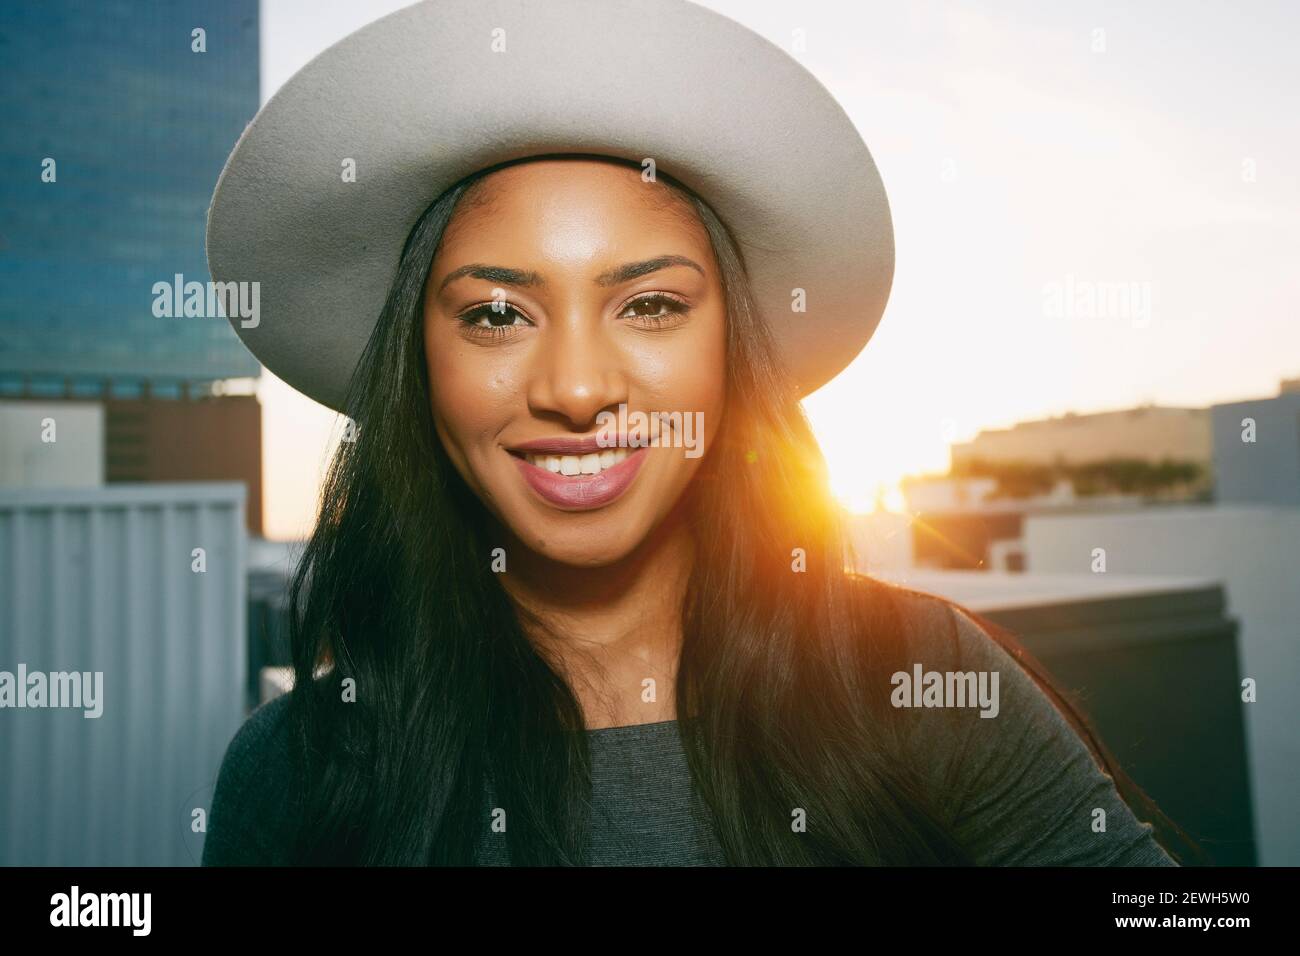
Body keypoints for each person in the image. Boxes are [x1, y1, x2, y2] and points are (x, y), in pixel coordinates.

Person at [201, 0, 1192, 866]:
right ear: (420, 365)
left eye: (651, 305)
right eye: (498, 314)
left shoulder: (923, 677)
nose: (578, 388)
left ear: (730, 352)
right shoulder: (297, 772)